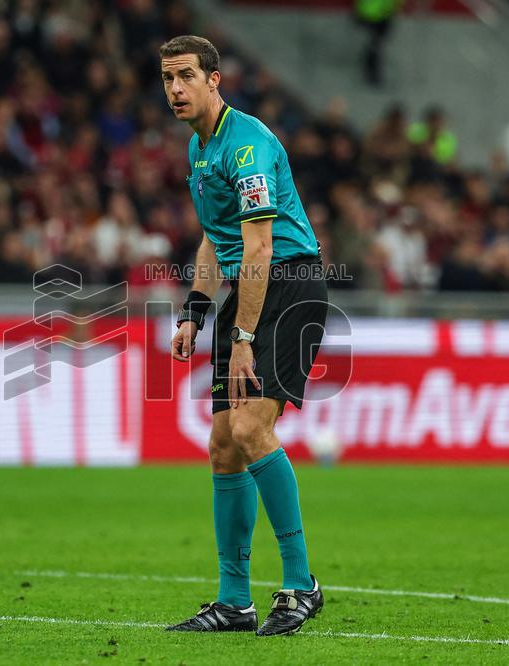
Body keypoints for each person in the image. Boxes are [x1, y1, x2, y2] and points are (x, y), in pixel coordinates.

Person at [159, 35, 328, 636]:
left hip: (290, 286)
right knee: (223, 444)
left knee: (253, 427)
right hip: (248, 292)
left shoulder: (249, 144)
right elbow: (216, 239)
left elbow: (259, 246)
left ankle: (301, 583)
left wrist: (245, 336)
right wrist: (194, 314)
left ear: (213, 80)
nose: (175, 89)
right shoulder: (199, 150)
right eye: (166, 78)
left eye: (184, 76)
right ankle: (234, 600)